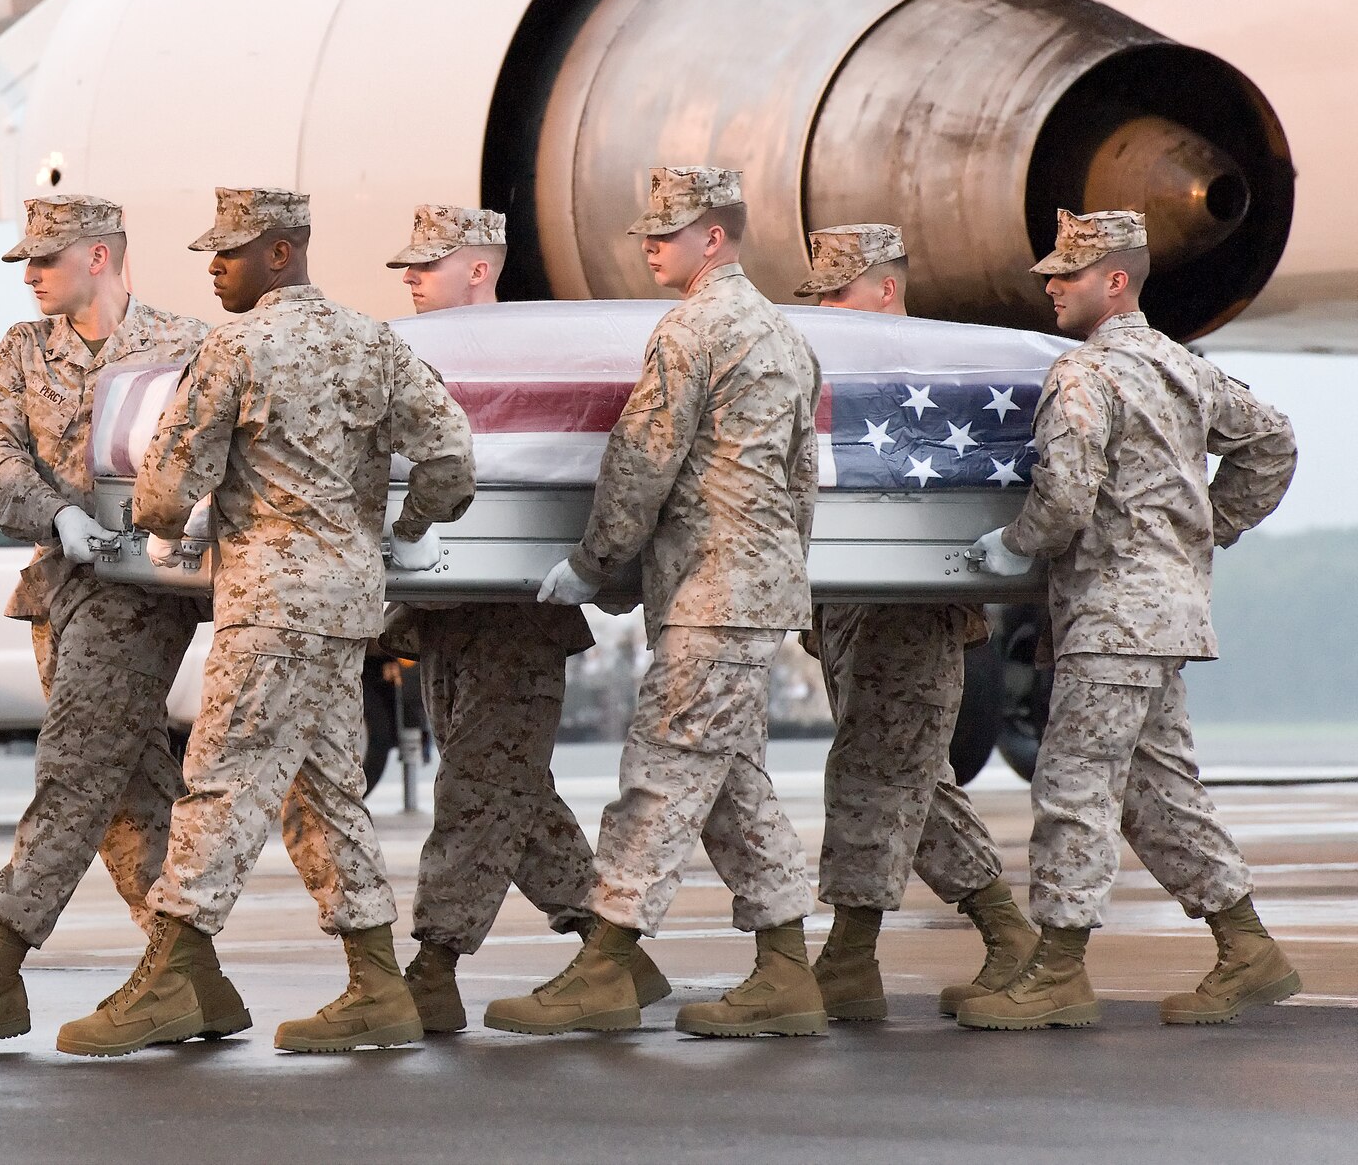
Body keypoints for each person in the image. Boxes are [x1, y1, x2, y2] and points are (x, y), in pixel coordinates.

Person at [56, 187, 475, 1056]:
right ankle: (377, 983)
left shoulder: (235, 347)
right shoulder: (374, 341)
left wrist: (163, 527)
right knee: (324, 790)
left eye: (231, 252)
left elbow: (169, 484)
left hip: (270, 605)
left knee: (220, 775)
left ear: (281, 252)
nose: (213, 266)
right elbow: (450, 457)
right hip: (346, 604)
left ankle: (171, 973)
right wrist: (399, 530)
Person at [487, 166, 826, 1039]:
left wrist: (594, 561)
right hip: (754, 587)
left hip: (712, 592)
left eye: (667, 234)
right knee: (730, 783)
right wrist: (783, 572)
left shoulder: (690, 332)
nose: (649, 247)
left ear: (714, 238)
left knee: (662, 770)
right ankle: (787, 966)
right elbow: (799, 481)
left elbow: (641, 461)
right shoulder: (786, 337)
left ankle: (606, 960)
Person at [0, 196, 234, 1047]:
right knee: (127, 790)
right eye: (28, 263)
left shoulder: (185, 346)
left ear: (101, 257)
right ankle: (195, 981)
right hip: (60, 586)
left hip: (143, 591)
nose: (32, 276)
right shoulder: (17, 353)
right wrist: (54, 514)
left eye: (46, 260)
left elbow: (222, 449)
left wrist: (194, 515)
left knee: (75, 765)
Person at [958, 209, 1299, 1031]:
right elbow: (1274, 441)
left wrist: (1014, 546)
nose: (1050, 285)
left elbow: (1066, 498)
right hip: (1166, 613)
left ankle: (1061, 967)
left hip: (1112, 616)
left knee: (1074, 781)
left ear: (1114, 280)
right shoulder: (1182, 369)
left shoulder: (1084, 376)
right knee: (1157, 792)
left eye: (1066, 275)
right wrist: (1209, 524)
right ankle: (1247, 946)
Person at [380, 203, 671, 1032]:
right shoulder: (410, 352)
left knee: (478, 786)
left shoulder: (527, 349)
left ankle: (434, 964)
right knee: (516, 791)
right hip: (440, 610)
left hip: (517, 611)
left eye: (427, 265)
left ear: (480, 268)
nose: (410, 278)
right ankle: (615, 955)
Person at [794, 224, 1037, 1020]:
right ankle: (1005, 938)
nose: (827, 310)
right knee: (907, 778)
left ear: (885, 289)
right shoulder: (833, 375)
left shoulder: (937, 380)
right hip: (845, 610)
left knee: (873, 773)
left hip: (910, 613)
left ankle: (852, 957)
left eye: (839, 293)